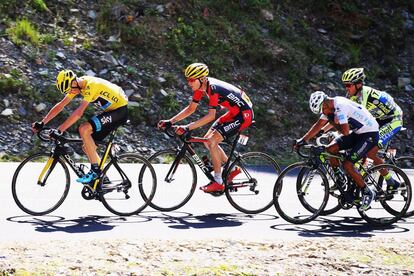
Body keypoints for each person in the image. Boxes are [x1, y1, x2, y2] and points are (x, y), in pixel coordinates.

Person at [158, 63, 254, 193]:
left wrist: (187, 127)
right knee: (207, 140)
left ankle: (218, 181)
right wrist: (170, 121)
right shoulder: (200, 88)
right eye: (188, 80)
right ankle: (233, 169)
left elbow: (211, 116)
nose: (189, 83)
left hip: (243, 115)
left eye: (192, 80)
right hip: (234, 112)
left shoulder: (213, 88)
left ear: (202, 79)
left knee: (212, 141)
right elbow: (191, 109)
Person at [32, 70, 128, 184]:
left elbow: (78, 113)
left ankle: (95, 171)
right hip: (111, 111)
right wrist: (42, 123)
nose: (71, 92)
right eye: (68, 91)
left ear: (75, 81)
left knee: (84, 128)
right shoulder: (77, 85)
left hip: (120, 111)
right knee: (87, 146)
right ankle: (103, 179)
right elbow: (61, 105)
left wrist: (60, 130)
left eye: (71, 89)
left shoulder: (90, 86)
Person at [294, 91, 379, 211]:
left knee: (348, 164)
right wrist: (303, 140)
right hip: (358, 133)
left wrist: (332, 121)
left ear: (324, 105)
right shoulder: (330, 106)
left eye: (322, 110)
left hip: (369, 134)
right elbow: (318, 125)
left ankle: (368, 192)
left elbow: (344, 131)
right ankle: (340, 177)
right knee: (330, 149)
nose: (323, 113)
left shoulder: (340, 107)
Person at [342, 67, 403, 193]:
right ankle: (364, 172)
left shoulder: (365, 95)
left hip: (392, 119)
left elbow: (358, 118)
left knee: (370, 151)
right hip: (378, 120)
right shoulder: (352, 95)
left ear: (358, 84)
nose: (346, 88)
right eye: (345, 85)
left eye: (348, 85)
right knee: (361, 142)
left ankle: (391, 181)